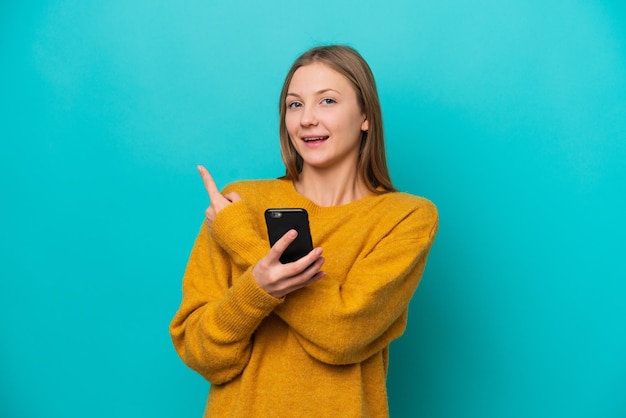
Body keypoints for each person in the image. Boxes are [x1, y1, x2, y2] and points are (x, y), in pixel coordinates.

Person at [170, 44, 438, 417]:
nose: (307, 119)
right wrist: (257, 290)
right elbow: (203, 356)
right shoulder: (239, 203)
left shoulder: (405, 217)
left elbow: (343, 334)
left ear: (365, 116)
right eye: (295, 105)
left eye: (327, 101)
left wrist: (246, 247)